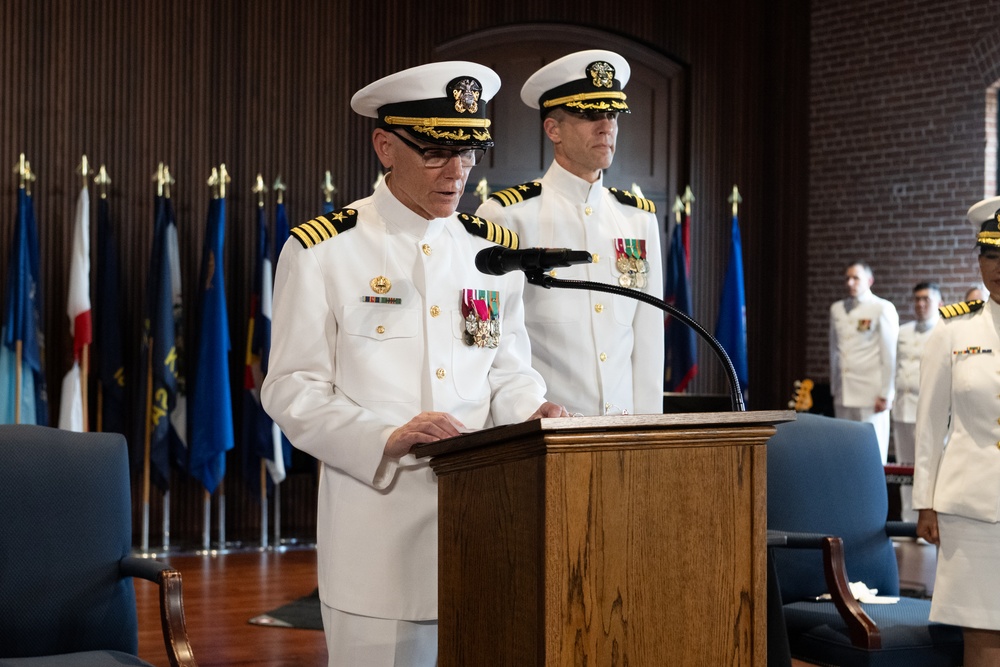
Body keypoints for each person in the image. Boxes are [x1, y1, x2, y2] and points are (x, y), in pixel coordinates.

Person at [261, 61, 568, 667]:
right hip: (378, 537)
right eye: (436, 152)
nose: (458, 173)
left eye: (471, 153)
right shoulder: (325, 248)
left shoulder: (490, 252)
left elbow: (505, 369)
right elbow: (291, 388)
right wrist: (384, 437)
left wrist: (534, 409)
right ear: (385, 145)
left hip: (485, 528)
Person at [475, 49, 664, 417]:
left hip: (624, 435)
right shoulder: (507, 216)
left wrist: (649, 432)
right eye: (591, 115)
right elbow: (493, 346)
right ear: (553, 129)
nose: (606, 126)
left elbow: (648, 339)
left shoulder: (637, 219)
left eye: (612, 115)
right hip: (544, 435)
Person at [914, 195, 1000, 666]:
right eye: (990, 254)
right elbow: (928, 424)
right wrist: (924, 502)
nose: (998, 266)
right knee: (984, 639)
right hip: (971, 511)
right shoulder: (952, 331)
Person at [829, 261, 899, 463]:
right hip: (844, 392)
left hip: (871, 395)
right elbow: (834, 349)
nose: (850, 282)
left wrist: (886, 393)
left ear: (869, 280)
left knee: (871, 455)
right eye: (847, 278)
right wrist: (835, 388)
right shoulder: (837, 309)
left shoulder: (882, 308)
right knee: (843, 454)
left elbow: (890, 354)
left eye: (856, 278)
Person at [891, 281, 941, 521]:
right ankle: (906, 520)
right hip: (902, 407)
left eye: (926, 299)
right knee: (904, 468)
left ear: (939, 303)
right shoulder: (903, 330)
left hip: (928, 409)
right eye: (917, 299)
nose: (920, 304)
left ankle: (926, 520)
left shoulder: (942, 330)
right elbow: (895, 366)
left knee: (926, 468)